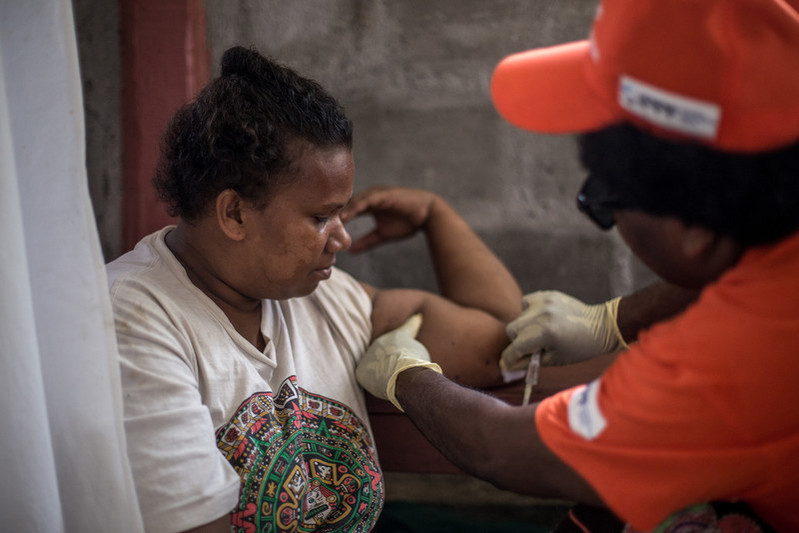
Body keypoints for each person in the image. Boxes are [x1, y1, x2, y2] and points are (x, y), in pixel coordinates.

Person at [355, 0, 799, 531]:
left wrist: (408, 377)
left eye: (603, 200)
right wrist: (616, 318)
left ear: (695, 231)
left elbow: (503, 447)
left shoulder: (729, 369)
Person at [106, 45, 522, 533]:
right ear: (235, 213)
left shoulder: (323, 298)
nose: (342, 237)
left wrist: (437, 216)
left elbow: (500, 338)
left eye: (342, 214)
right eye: (321, 217)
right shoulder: (132, 319)